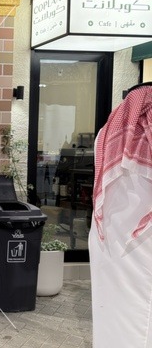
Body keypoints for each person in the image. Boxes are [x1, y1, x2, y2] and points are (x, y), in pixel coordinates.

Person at [89, 82, 152, 347]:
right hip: (141, 244)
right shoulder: (142, 137)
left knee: (114, 315)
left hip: (107, 241)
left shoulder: (108, 134)